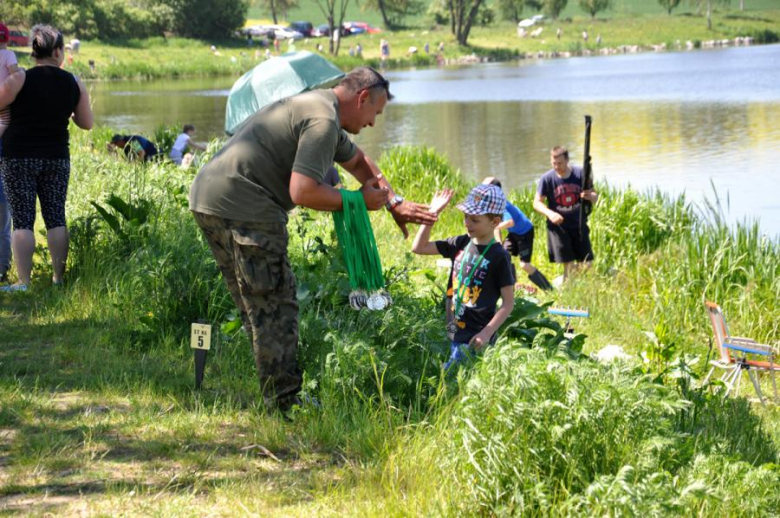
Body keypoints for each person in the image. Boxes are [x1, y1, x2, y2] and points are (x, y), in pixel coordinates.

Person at [188, 67, 436, 411]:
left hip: (208, 197)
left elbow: (360, 162)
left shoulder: (320, 106)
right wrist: (359, 201)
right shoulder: (324, 122)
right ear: (362, 97)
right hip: (247, 205)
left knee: (256, 304)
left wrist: (394, 202)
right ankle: (285, 403)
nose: (373, 124)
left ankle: (273, 390)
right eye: (375, 113)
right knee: (276, 304)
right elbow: (302, 191)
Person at [0, 24, 93, 292]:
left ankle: (24, 283)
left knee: (22, 219)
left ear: (35, 52)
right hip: (56, 157)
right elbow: (86, 123)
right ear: (56, 51)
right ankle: (58, 279)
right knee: (55, 216)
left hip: (19, 157)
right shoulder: (74, 82)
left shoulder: (21, 79)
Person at [412, 185, 515, 370]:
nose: (467, 223)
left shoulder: (499, 256)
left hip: (477, 337)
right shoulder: (460, 243)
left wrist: (487, 333)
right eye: (465, 217)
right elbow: (419, 247)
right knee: (454, 380)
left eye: (474, 219)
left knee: (449, 378)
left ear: (495, 222)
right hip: (454, 329)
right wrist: (432, 213)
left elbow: (508, 303)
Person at [533, 146, 598, 283]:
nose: (556, 166)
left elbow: (595, 195)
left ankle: (571, 281)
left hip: (579, 224)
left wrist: (590, 196)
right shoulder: (547, 179)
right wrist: (550, 214)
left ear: (567, 160)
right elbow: (537, 203)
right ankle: (568, 287)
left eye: (560, 163)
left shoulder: (580, 174)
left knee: (587, 263)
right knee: (568, 263)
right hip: (559, 227)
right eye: (554, 163)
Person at [483, 177, 552, 291]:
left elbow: (510, 222)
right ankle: (512, 289)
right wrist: (499, 244)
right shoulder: (492, 204)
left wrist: (495, 226)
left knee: (524, 265)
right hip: (514, 233)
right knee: (503, 255)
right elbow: (497, 228)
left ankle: (548, 289)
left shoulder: (501, 204)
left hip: (525, 232)